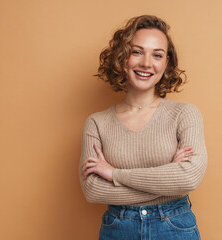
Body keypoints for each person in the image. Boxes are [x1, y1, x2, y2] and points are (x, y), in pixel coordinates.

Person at [79, 15, 207, 240]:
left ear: (166, 63)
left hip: (174, 227)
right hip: (118, 229)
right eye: (137, 52)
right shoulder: (97, 123)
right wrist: (166, 179)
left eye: (157, 55)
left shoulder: (184, 114)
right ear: (122, 57)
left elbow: (188, 178)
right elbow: (93, 190)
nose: (147, 63)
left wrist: (114, 174)